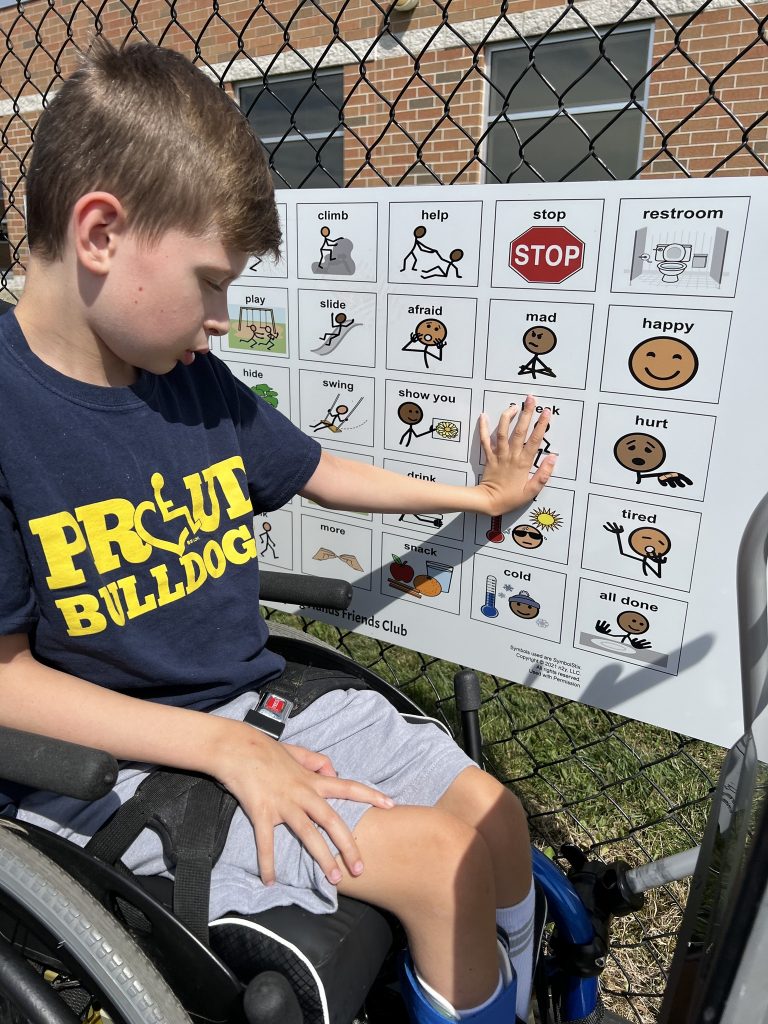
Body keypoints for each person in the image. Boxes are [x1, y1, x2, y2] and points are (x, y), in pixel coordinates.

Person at [0, 41, 556, 1024]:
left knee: (496, 820)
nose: (222, 318)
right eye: (212, 281)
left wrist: (472, 500)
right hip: (121, 769)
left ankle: (506, 992)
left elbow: (315, 470)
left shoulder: (187, 383)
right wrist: (221, 750)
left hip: (261, 706)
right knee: (441, 859)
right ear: (100, 232)